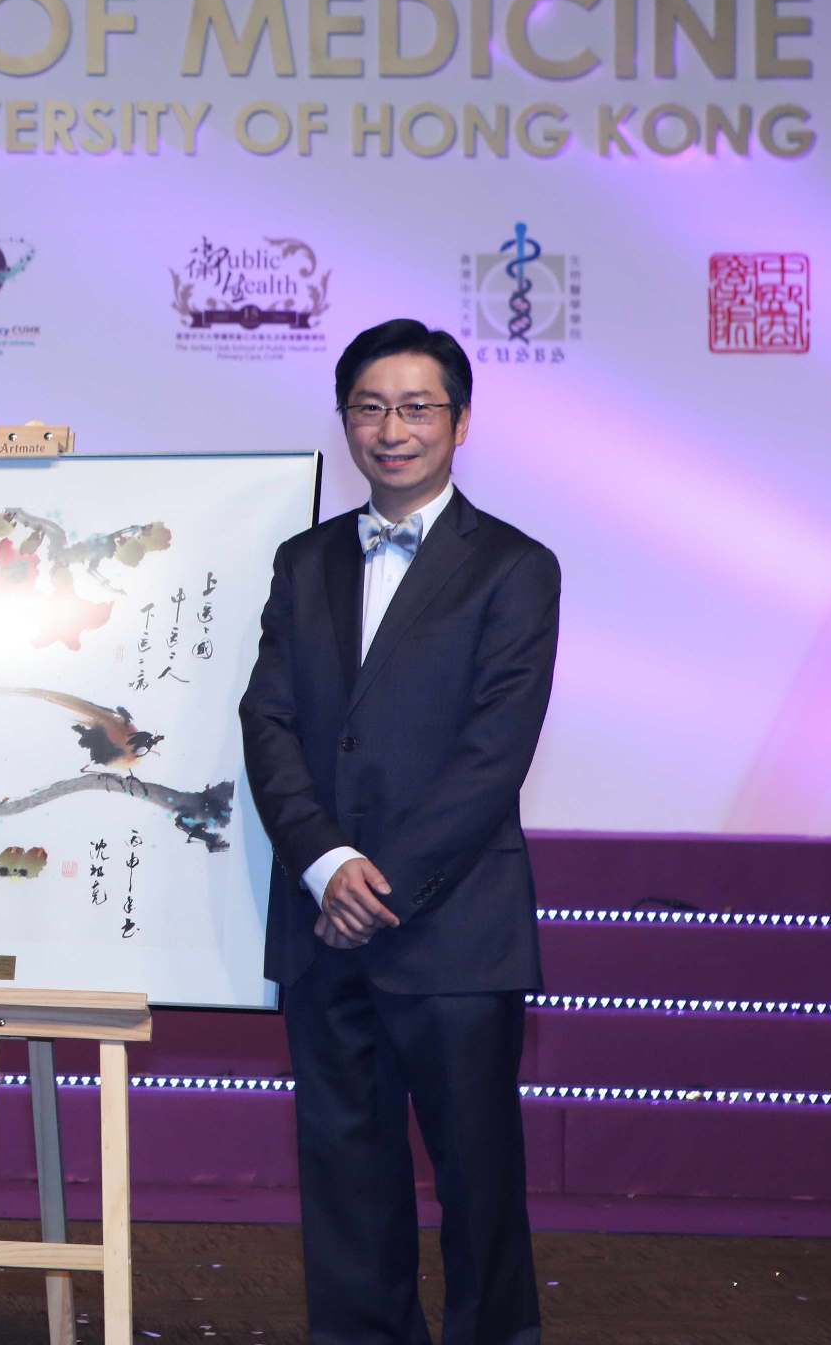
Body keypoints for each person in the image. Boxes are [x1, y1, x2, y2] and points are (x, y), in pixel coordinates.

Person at [239, 318, 560, 1345]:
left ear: (460, 422)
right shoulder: (304, 559)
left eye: (418, 406)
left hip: (454, 930)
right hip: (325, 926)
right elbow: (270, 720)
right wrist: (326, 862)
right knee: (344, 1174)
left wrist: (379, 883)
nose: (393, 427)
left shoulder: (515, 565)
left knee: (478, 1180)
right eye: (371, 406)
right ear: (346, 422)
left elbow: (492, 753)